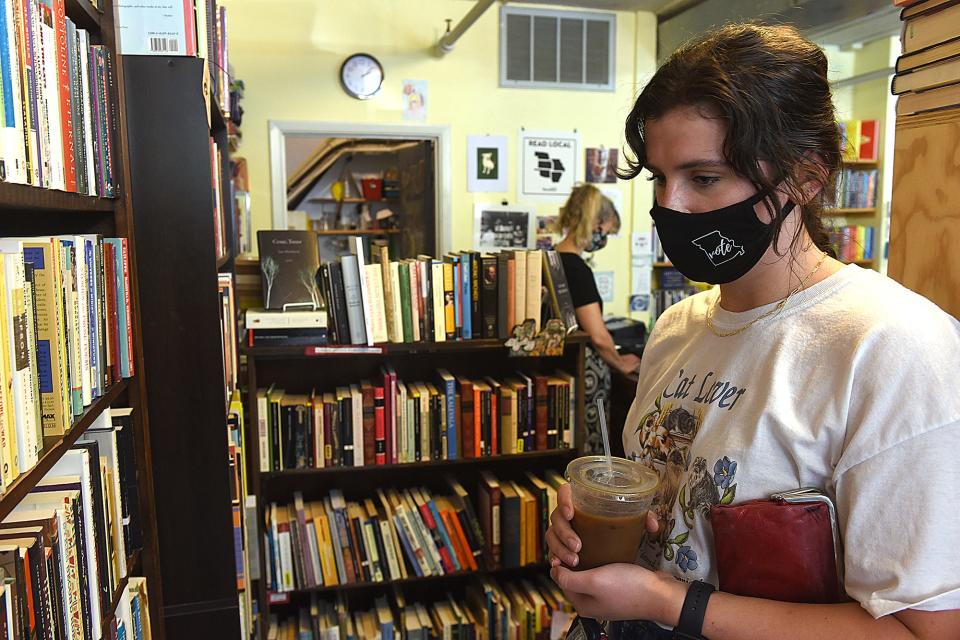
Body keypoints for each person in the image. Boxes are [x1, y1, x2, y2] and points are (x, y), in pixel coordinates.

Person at [546, 23, 960, 640]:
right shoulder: (677, 328)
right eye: (658, 178)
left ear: (805, 176)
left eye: (704, 178)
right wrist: (604, 524)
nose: (671, 206)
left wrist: (668, 603)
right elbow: (672, 512)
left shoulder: (893, 347)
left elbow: (921, 631)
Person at [555, 184, 642, 454]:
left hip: (564, 368)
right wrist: (621, 363)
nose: (604, 239)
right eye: (607, 231)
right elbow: (598, 335)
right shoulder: (576, 268)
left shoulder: (552, 259)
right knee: (591, 450)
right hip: (588, 375)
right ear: (596, 222)